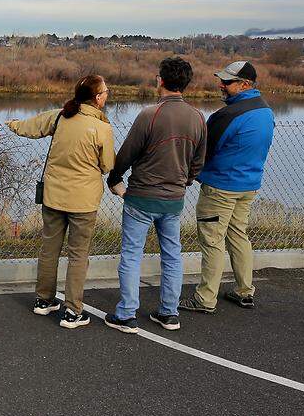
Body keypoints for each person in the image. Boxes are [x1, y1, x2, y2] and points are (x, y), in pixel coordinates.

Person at [103, 57, 206, 333]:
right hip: (173, 200)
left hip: (141, 196)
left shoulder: (150, 114)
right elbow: (198, 161)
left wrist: (114, 178)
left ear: (160, 80)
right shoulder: (198, 117)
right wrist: (184, 182)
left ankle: (126, 314)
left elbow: (127, 153)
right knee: (172, 254)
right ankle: (169, 313)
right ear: (185, 83)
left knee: (132, 254)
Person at [6, 75, 115, 329]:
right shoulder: (101, 128)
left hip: (53, 197)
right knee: (78, 255)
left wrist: (12, 124)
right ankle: (72, 312)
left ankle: (43, 300)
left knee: (49, 249)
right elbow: (108, 164)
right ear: (98, 98)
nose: (107, 95)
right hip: (83, 202)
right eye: (106, 92)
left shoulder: (60, 116)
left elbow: (30, 127)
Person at [180, 61, 274, 313]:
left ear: (245, 85)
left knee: (212, 240)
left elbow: (204, 152)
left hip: (221, 187)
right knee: (238, 236)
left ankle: (205, 298)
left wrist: (189, 174)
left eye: (227, 82)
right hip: (249, 186)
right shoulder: (266, 111)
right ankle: (244, 291)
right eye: (221, 80)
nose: (221, 85)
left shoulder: (227, 115)